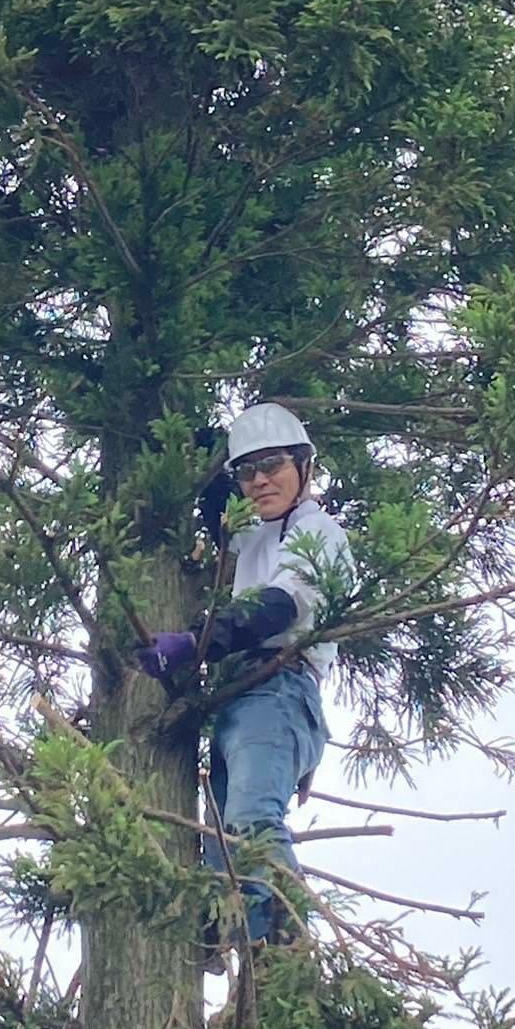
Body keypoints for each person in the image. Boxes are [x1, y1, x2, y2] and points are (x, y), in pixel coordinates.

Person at [137, 403, 353, 950]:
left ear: (304, 465)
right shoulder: (259, 536)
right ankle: (224, 940)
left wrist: (198, 643)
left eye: (273, 465)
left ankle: (286, 957)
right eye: (247, 471)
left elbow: (279, 606)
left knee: (253, 825)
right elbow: (221, 519)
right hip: (241, 697)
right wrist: (193, 445)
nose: (259, 481)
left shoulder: (318, 530)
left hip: (278, 689)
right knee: (221, 846)